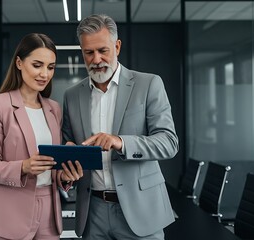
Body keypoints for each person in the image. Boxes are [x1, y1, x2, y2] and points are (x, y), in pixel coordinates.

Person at [61, 14, 179, 239]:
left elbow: (169, 143)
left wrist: (122, 142)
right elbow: (66, 144)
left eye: (103, 50)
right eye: (89, 52)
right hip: (91, 212)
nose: (96, 59)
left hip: (141, 210)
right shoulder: (71, 96)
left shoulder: (149, 84)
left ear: (117, 46)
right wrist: (67, 166)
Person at [0, 33, 83, 240]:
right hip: (9, 213)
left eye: (50, 67)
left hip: (49, 212)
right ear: (19, 63)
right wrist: (23, 166)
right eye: (37, 65)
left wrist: (65, 176)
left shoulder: (54, 109)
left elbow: (50, 166)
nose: (44, 73)